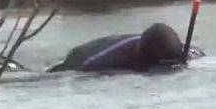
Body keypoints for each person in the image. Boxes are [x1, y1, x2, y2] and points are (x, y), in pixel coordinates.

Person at [47, 23, 204, 73]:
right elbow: (63, 73)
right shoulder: (95, 61)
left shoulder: (179, 49)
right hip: (80, 58)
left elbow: (199, 55)